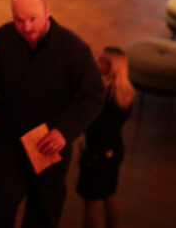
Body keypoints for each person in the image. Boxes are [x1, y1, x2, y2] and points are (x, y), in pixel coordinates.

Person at [0, 0, 104, 228]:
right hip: (7, 138)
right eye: (19, 20)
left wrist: (64, 132)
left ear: (47, 12)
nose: (27, 27)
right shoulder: (4, 37)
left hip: (48, 142)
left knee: (43, 213)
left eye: (33, 19)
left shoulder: (73, 49)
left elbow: (93, 96)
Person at [76, 47, 134, 228]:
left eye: (101, 60)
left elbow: (89, 121)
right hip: (115, 149)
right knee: (110, 194)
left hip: (97, 153)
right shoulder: (126, 92)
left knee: (91, 201)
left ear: (112, 67)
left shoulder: (102, 94)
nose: (96, 63)